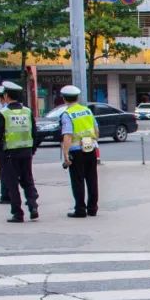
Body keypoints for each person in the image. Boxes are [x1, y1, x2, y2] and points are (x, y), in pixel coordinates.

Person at [0, 80, 39, 223]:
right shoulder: (27, 111)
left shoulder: (3, 113)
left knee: (12, 184)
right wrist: (32, 149)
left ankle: (18, 214)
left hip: (10, 154)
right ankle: (33, 206)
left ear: (6, 96)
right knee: (28, 181)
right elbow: (35, 133)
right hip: (26, 152)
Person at [58, 85, 100, 218]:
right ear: (77, 97)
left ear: (64, 99)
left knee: (77, 180)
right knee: (92, 179)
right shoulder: (87, 111)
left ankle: (80, 209)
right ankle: (93, 208)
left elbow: (67, 136)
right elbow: (96, 130)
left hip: (76, 151)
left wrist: (65, 155)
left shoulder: (67, 114)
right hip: (90, 147)